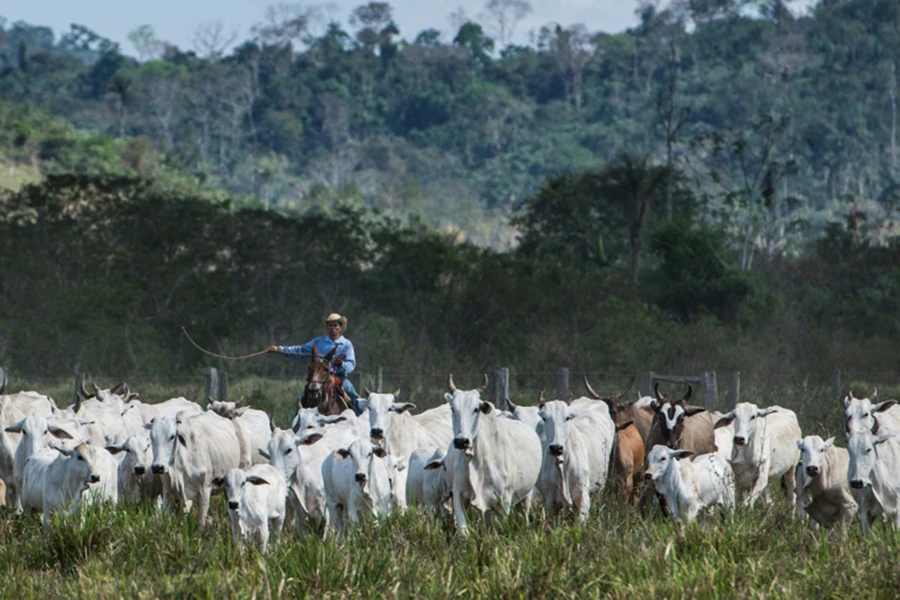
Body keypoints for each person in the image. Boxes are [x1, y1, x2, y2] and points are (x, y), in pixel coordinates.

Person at [266, 313, 361, 413]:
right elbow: (300, 350)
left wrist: (341, 364)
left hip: (338, 376)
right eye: (330, 325)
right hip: (319, 377)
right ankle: (298, 423)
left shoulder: (346, 344)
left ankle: (361, 416)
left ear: (340, 327)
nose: (332, 328)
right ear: (327, 327)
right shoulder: (319, 342)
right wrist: (279, 349)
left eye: (335, 325)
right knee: (303, 397)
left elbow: (351, 365)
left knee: (350, 391)